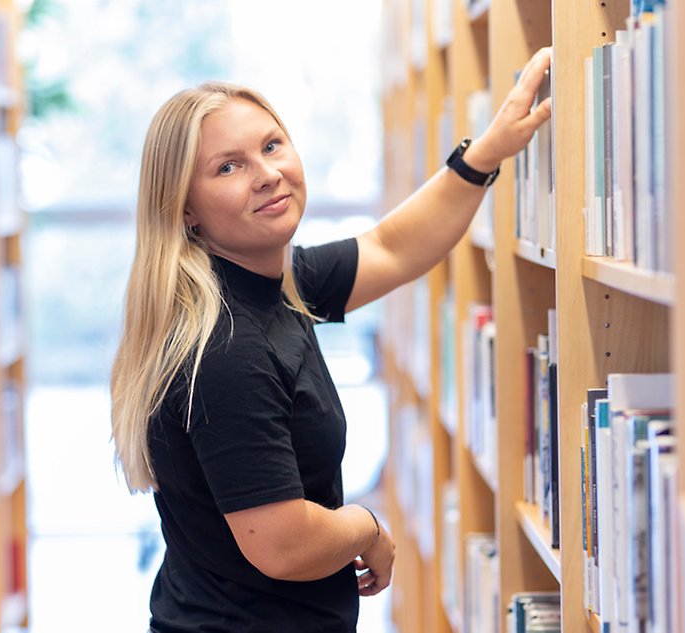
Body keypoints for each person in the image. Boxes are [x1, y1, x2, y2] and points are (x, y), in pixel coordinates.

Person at [110, 47, 553, 632]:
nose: (267, 173)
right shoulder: (227, 350)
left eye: (271, 146)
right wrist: (366, 526)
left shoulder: (274, 283)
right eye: (228, 166)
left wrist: (486, 153)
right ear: (186, 211)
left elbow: (394, 248)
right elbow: (283, 544)